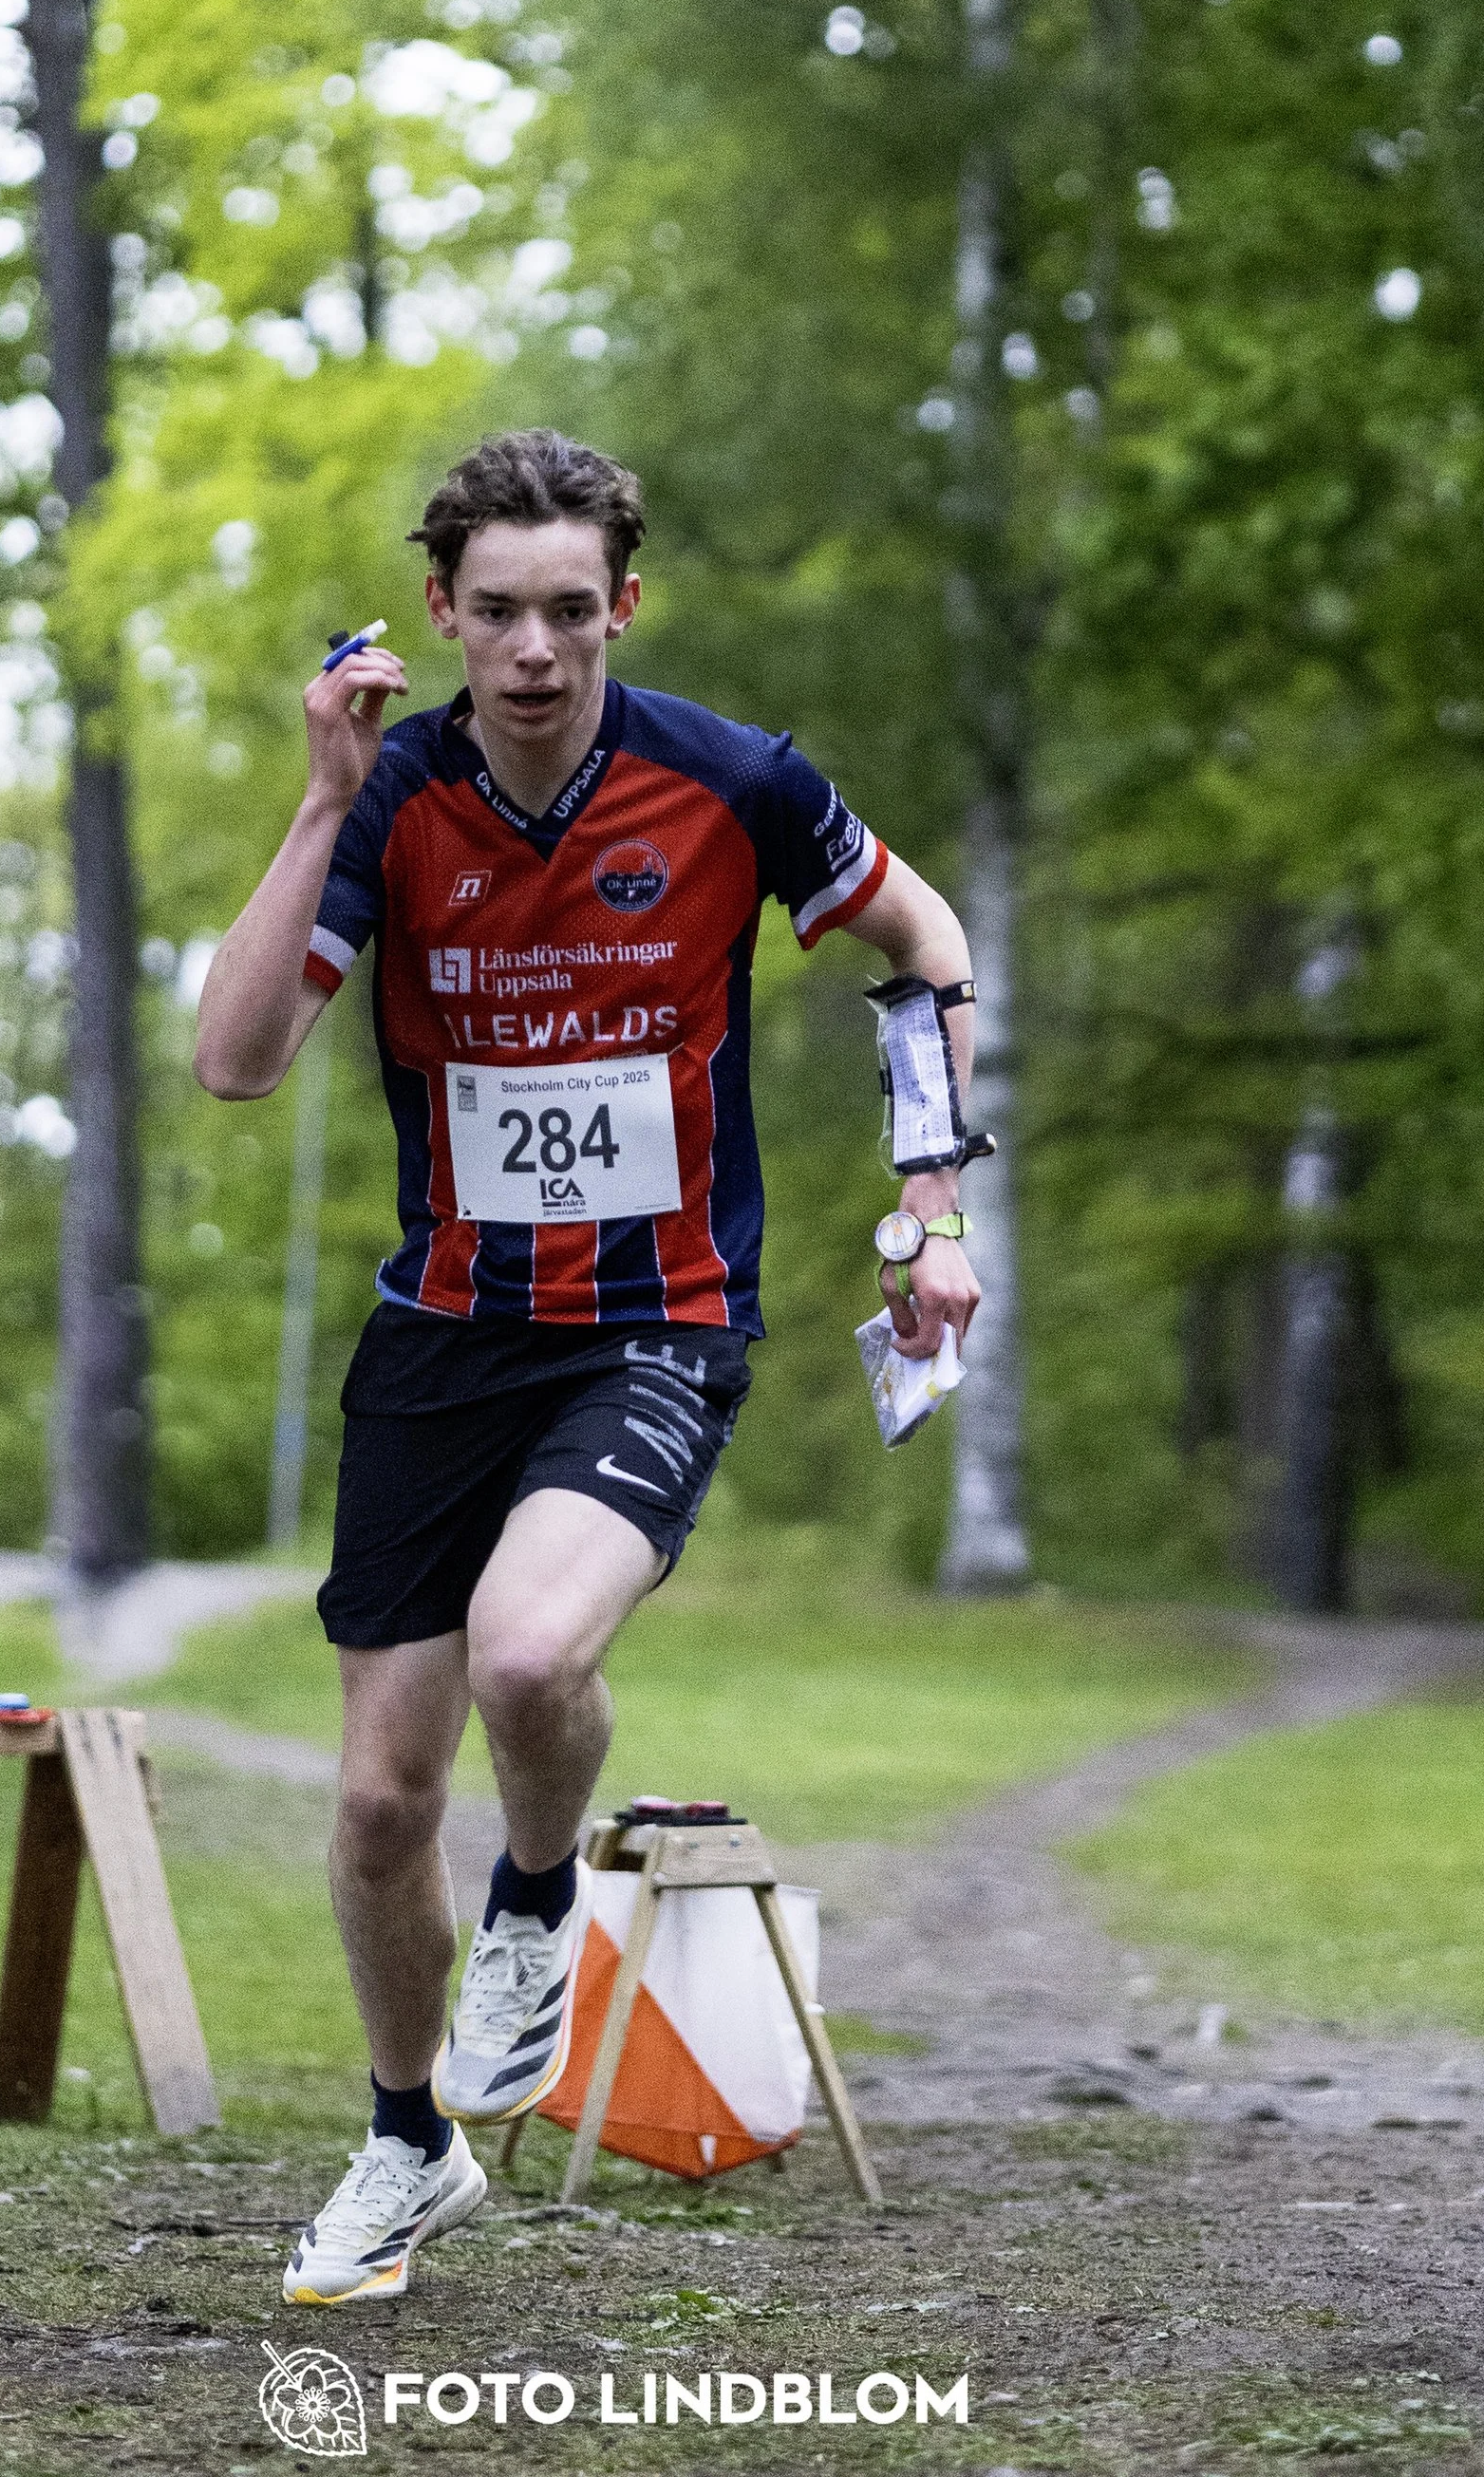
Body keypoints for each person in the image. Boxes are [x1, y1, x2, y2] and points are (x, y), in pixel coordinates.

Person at [194, 429, 982, 2304]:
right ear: (442, 618)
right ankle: (406, 2145)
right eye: (494, 613)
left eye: (568, 609)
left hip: (654, 1318)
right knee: (382, 1798)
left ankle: (536, 1895)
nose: (533, 648)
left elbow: (920, 939)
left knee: (533, 1648)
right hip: (444, 1333)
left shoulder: (728, 783)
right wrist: (320, 797)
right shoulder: (391, 802)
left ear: (619, 603)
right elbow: (231, 1061)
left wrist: (934, 1209)